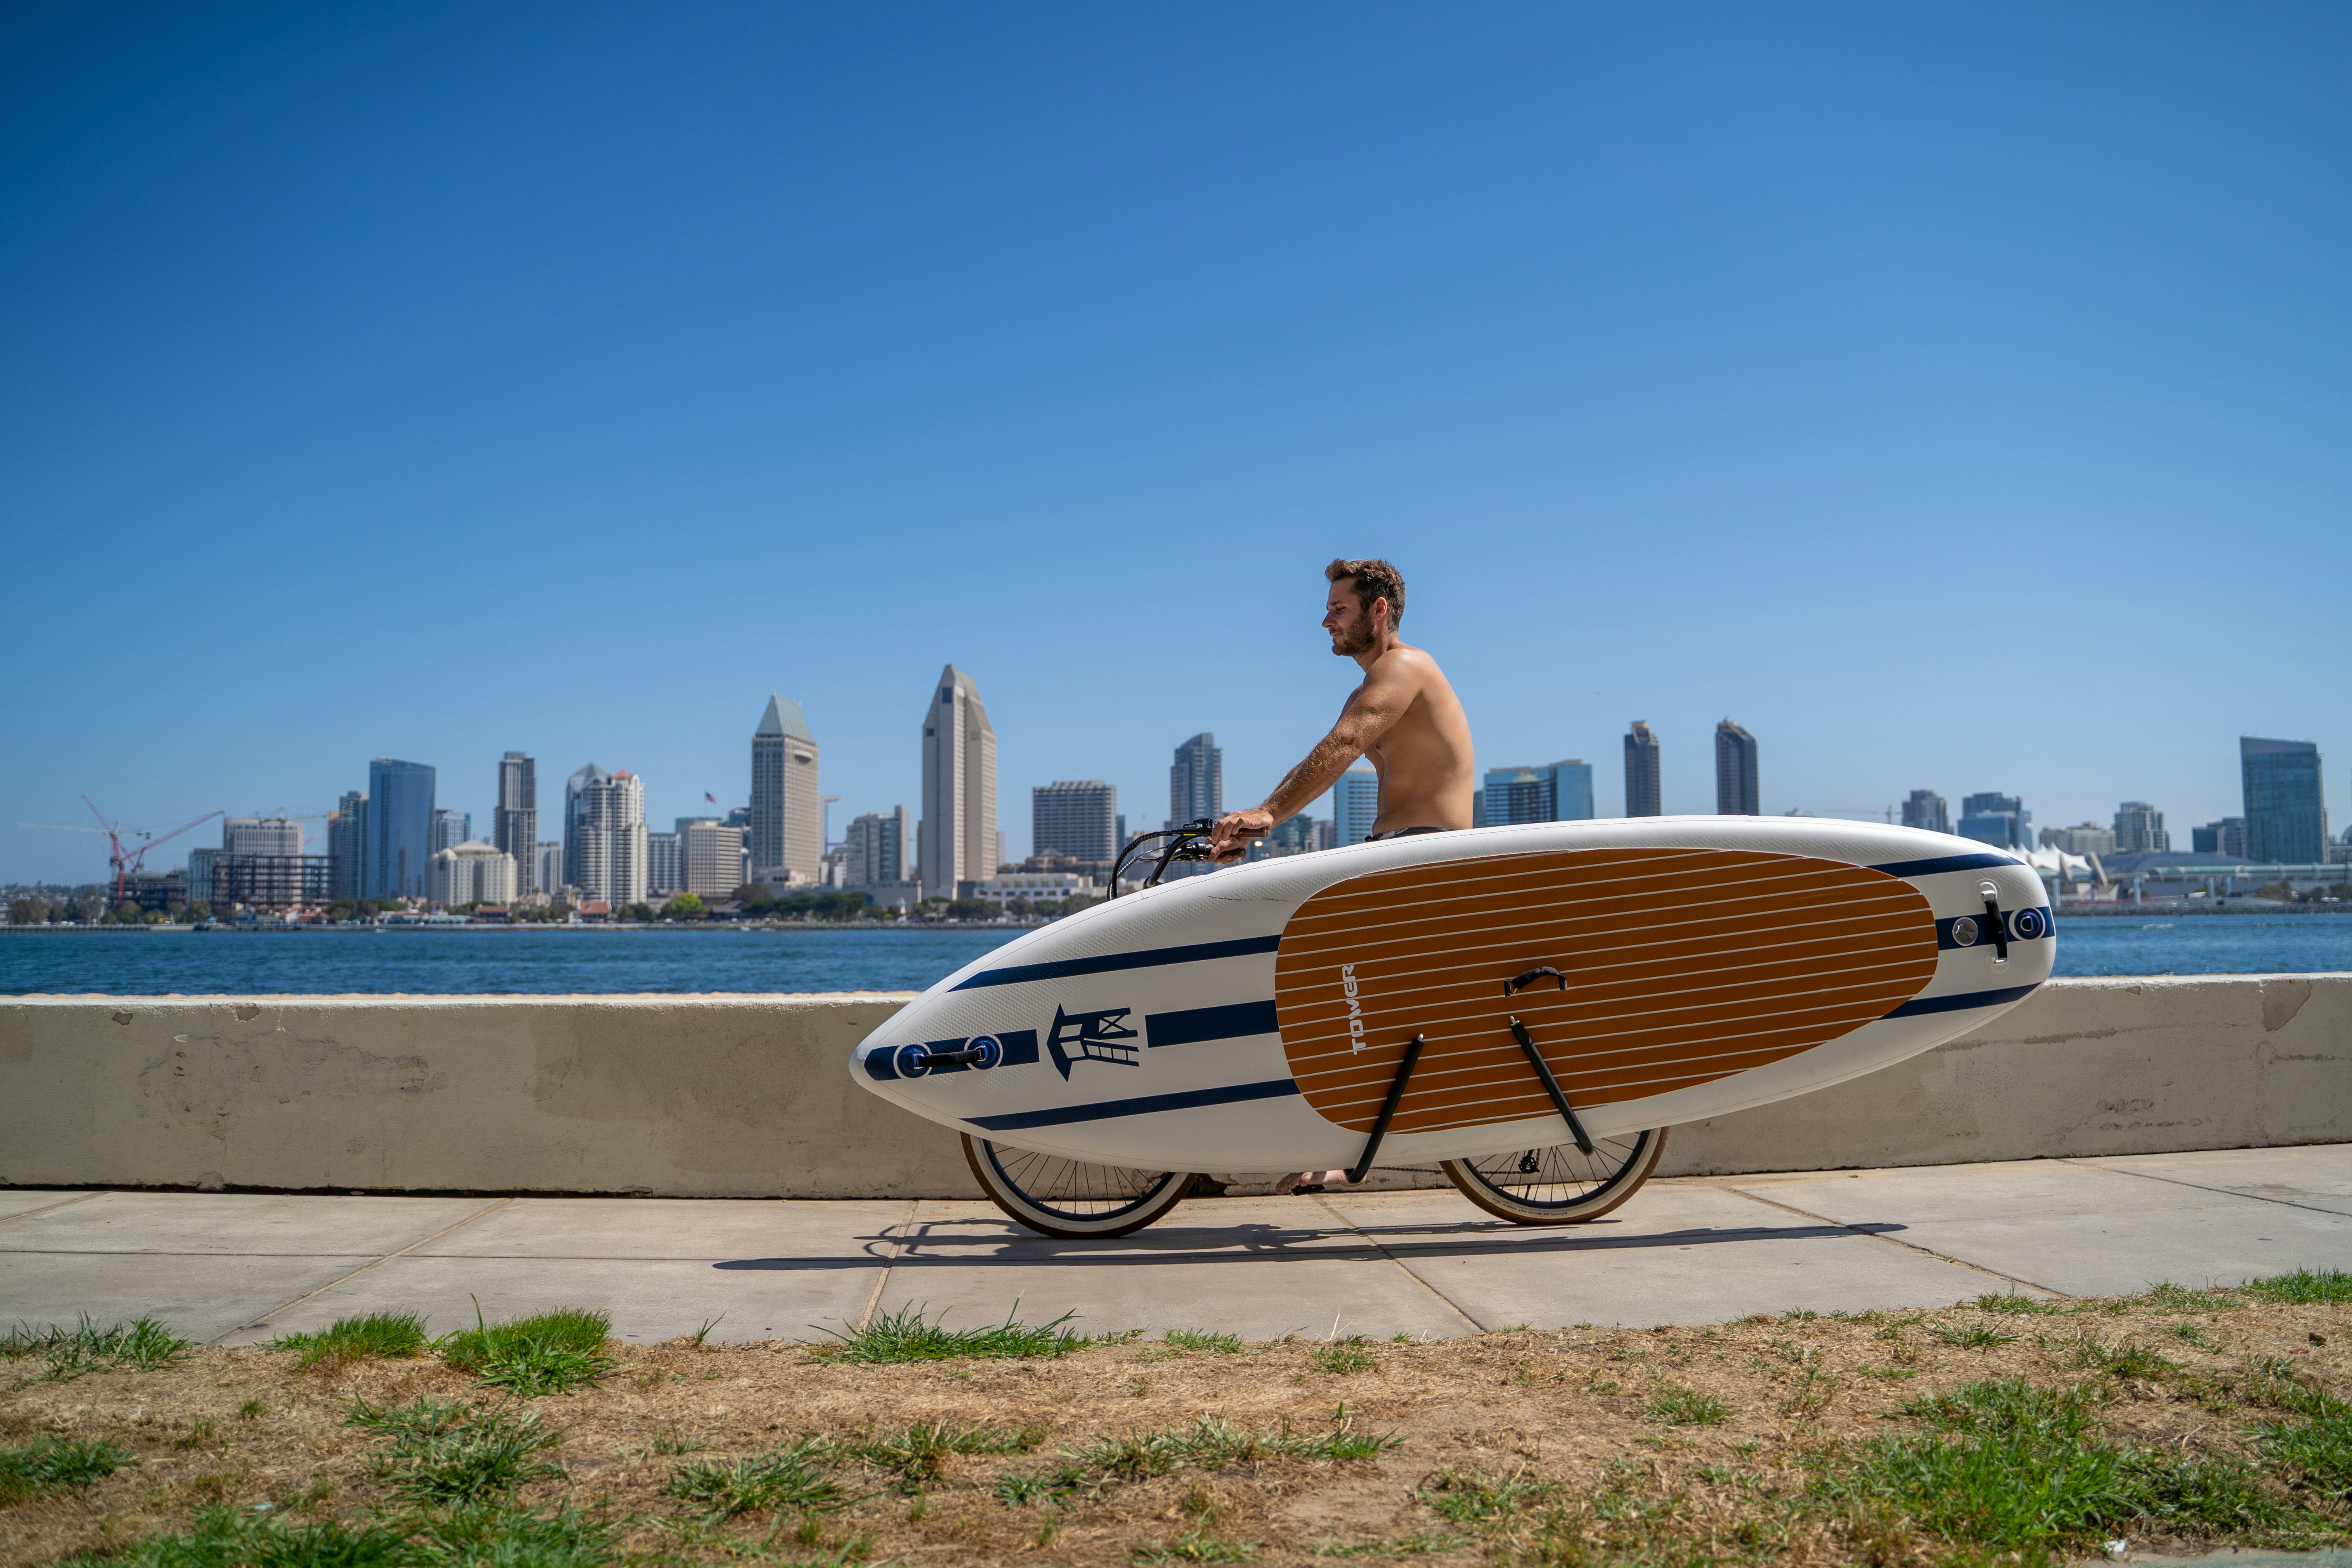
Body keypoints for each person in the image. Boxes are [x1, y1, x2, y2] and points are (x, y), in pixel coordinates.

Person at [1205, 556, 1477, 1194]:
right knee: (1337, 992)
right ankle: (1340, 1138)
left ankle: (1340, 1145)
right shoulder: (1377, 678)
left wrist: (1267, 814)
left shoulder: (1404, 667)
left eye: (1338, 609)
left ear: (1377, 611)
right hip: (1395, 853)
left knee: (1326, 981)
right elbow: (1336, 745)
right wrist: (1256, 822)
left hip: (1421, 855)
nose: (1325, 621)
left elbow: (1346, 743)